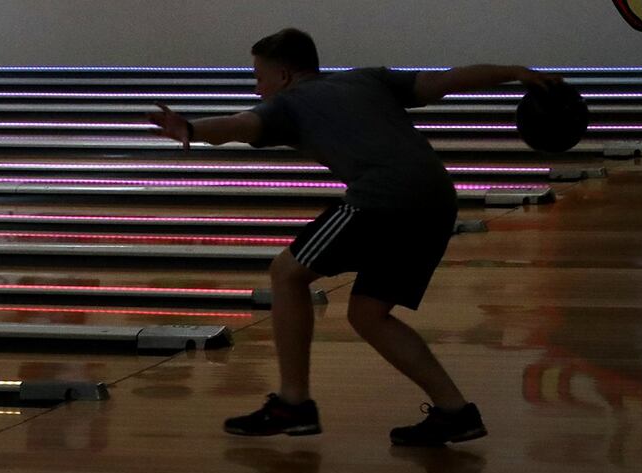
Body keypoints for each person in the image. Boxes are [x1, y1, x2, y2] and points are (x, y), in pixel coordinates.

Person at [149, 28, 559, 446]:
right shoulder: (364, 78)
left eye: (258, 76)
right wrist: (513, 72)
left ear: (285, 75)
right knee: (368, 314)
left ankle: (293, 402)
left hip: (382, 199)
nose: (257, 86)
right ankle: (455, 412)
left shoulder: (287, 105)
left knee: (286, 274)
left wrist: (192, 127)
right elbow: (446, 81)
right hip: (436, 200)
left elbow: (241, 124)